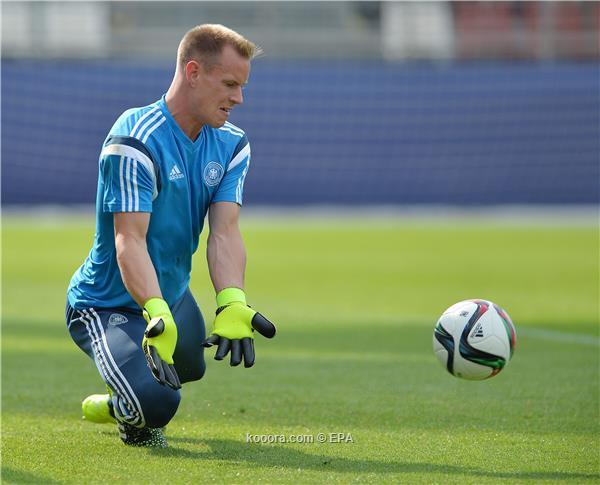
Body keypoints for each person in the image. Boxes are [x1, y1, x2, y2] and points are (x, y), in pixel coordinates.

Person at [65, 24, 276, 448]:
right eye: (230, 84)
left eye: (242, 86)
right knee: (158, 403)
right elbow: (129, 240)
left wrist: (232, 300)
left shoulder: (232, 144)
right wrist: (155, 310)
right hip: (106, 304)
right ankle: (130, 407)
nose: (239, 98)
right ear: (193, 72)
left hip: (173, 295)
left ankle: (124, 396)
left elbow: (225, 232)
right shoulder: (134, 139)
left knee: (191, 367)